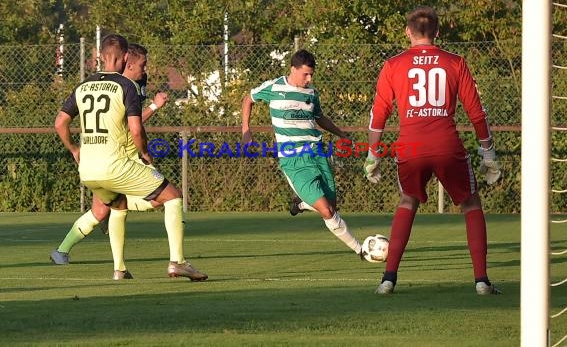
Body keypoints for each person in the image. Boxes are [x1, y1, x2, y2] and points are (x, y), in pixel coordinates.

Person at [364, 6, 502, 295]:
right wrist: (488, 154)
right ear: (437, 33)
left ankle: (388, 279)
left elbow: (379, 115)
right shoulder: (455, 62)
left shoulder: (393, 65)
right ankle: (481, 281)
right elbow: (477, 113)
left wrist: (373, 154)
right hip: (446, 144)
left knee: (407, 202)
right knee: (471, 204)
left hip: (411, 146)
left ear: (408, 32)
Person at [54, 34, 207, 281]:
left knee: (118, 207)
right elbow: (135, 129)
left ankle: (119, 269)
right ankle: (177, 262)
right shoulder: (125, 87)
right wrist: (145, 153)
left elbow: (60, 122)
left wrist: (73, 148)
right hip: (115, 164)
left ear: (99, 56)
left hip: (88, 169)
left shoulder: (82, 86)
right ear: (125, 57)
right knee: (173, 197)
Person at [49, 43, 167, 272]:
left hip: (108, 157)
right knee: (161, 198)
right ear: (127, 62)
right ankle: (112, 264)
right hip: (116, 157)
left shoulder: (129, 84)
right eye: (142, 64)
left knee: (103, 209)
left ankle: (63, 251)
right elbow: (132, 124)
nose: (145, 69)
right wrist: (154, 106)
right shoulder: (122, 86)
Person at [241, 49, 362, 257]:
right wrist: (246, 130)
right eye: (305, 74)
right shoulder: (274, 87)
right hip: (293, 158)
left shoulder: (312, 93)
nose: (309, 79)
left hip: (317, 152)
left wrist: (341, 134)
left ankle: (302, 203)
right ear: (293, 69)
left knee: (332, 206)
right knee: (327, 211)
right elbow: (247, 99)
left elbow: (319, 117)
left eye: (312, 75)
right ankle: (361, 250)